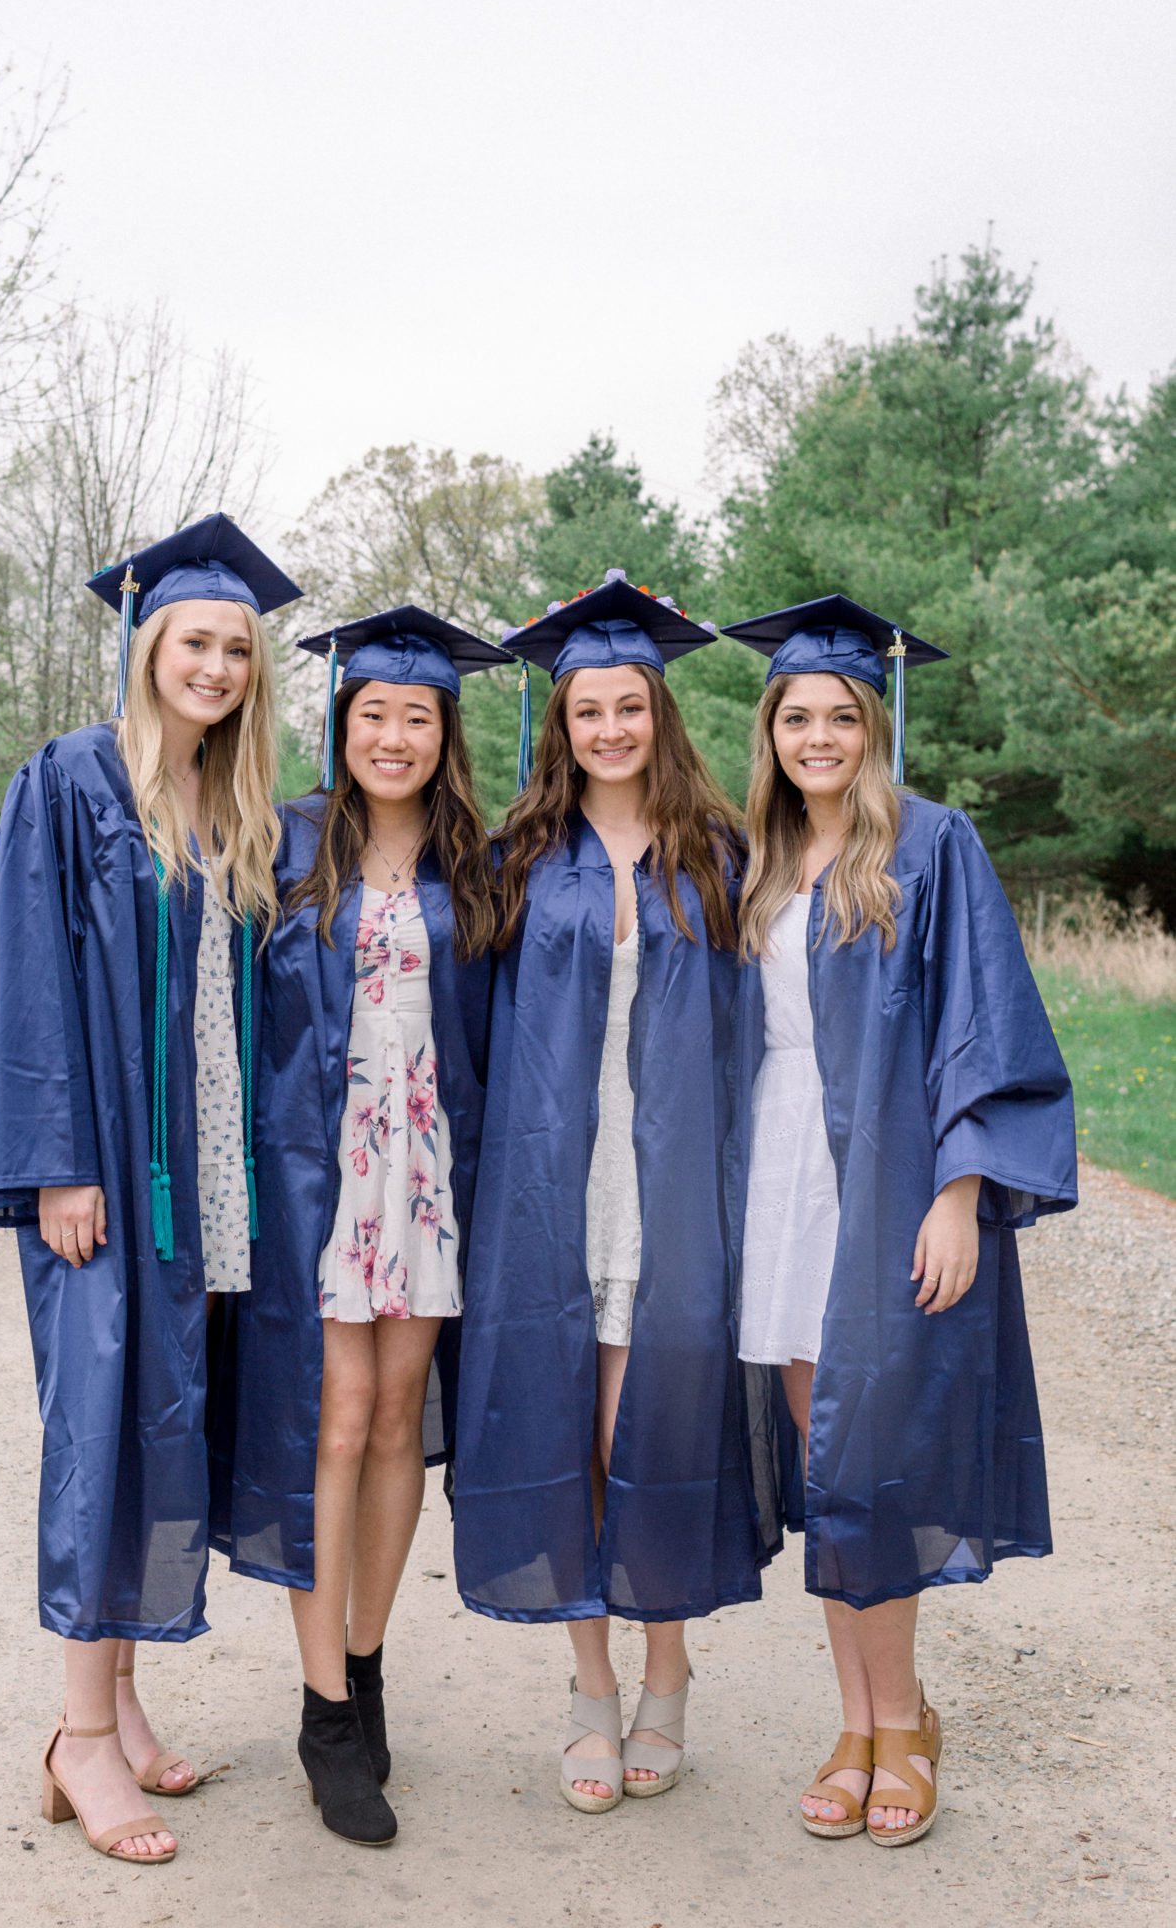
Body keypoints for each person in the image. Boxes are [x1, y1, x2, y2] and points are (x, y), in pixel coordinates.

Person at [721, 594, 1076, 1847]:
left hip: (885, 1180)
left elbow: (988, 1024)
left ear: (872, 728)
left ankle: (905, 1715)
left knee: (874, 1455)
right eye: (796, 716)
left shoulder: (934, 845)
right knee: (831, 1465)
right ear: (769, 733)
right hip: (778, 1178)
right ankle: (861, 1721)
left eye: (840, 716)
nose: (818, 736)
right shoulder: (754, 860)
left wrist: (962, 1191)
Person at [0, 515, 300, 1864]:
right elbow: (28, 981)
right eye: (194, 641)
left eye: (235, 647)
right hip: (107, 1171)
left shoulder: (235, 809)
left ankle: (120, 1704)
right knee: (103, 1429)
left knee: (165, 1422)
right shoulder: (68, 783)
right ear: (145, 645)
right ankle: (77, 1738)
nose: (214, 664)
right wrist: (56, 1165)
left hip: (204, 1183)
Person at [453, 571, 766, 1817]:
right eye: (588, 711)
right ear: (561, 723)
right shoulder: (519, 854)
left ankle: (669, 1672)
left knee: (661, 1425)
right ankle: (591, 1684)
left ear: (660, 715)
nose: (610, 729)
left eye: (629, 706)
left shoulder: (727, 850)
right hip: (551, 1187)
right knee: (572, 1428)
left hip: (674, 1184)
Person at [210, 607, 507, 1846]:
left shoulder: (480, 869)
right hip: (315, 1179)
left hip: (427, 1178)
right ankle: (325, 1707)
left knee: (398, 1422)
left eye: (417, 716)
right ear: (342, 723)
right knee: (328, 1420)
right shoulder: (279, 844)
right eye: (374, 713)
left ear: (445, 735)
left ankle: (368, 1660)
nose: (394, 735)